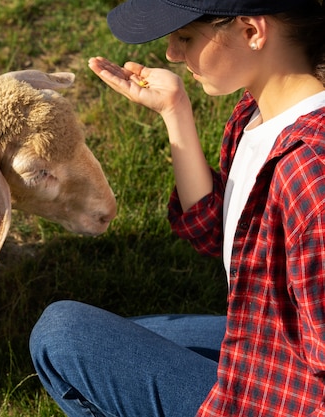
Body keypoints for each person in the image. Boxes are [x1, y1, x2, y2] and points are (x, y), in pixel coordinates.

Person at [29, 0, 325, 416]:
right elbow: (220, 235)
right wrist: (175, 110)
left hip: (292, 396)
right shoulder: (257, 114)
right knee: (124, 337)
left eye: (185, 36)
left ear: (252, 32)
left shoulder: (312, 174)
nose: (172, 52)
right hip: (270, 338)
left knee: (61, 335)